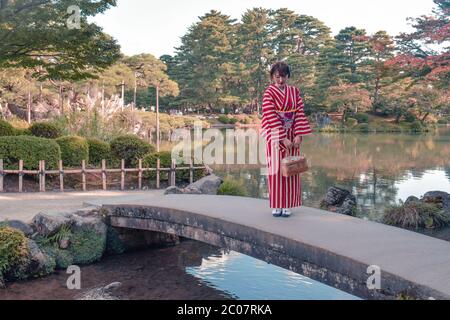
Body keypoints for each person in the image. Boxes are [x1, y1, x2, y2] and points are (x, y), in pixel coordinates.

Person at [260, 61, 313, 217]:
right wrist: (282, 138)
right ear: (272, 77)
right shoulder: (269, 92)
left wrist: (298, 134)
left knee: (292, 168)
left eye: (283, 77)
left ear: (288, 76)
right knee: (275, 170)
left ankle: (288, 204)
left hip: (292, 133)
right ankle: (277, 204)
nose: (280, 80)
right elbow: (270, 115)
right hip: (275, 136)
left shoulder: (294, 92)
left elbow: (299, 113)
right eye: (277, 77)